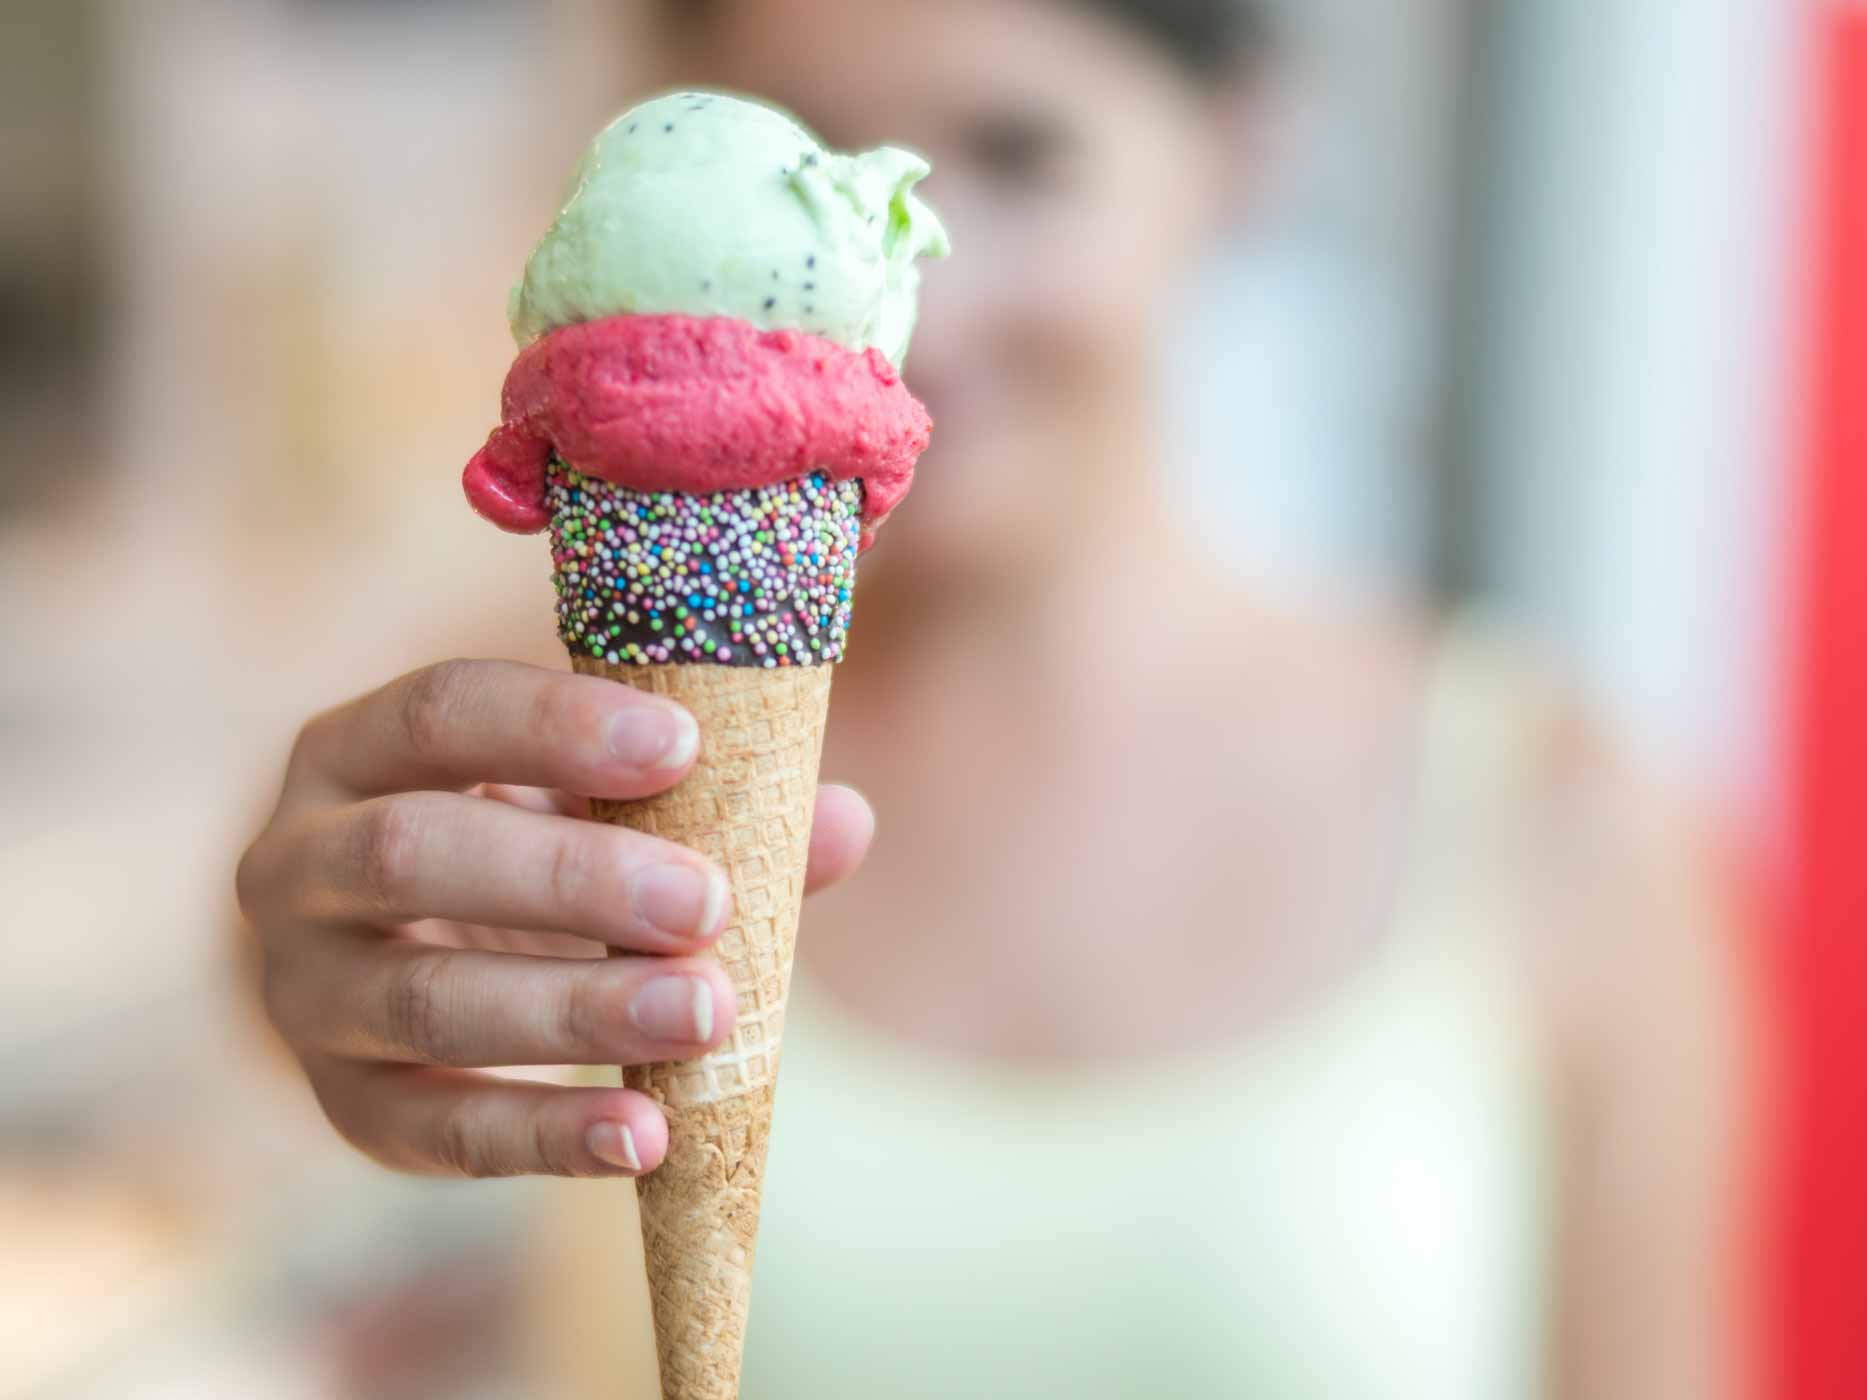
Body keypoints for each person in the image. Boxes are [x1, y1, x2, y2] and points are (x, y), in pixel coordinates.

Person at [236, 0, 1756, 1394]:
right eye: (793, 164)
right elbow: (273, 1057)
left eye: (1019, 155)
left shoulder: (1549, 811)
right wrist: (312, 969)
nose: (914, 304)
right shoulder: (545, 760)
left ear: (1238, 152)